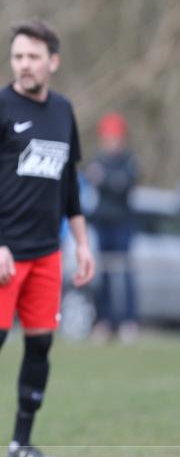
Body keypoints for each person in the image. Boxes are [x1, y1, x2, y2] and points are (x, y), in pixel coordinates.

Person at [0, 19, 95, 457]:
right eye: (17, 57)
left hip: (47, 252)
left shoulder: (63, 111)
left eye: (33, 56)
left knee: (40, 345)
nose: (24, 64)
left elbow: (69, 184)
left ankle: (21, 444)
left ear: (53, 61)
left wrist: (82, 244)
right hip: (2, 251)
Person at [86, 112, 138, 342]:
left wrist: (106, 179)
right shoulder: (98, 160)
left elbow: (124, 184)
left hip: (123, 224)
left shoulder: (129, 161)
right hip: (102, 224)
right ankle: (104, 321)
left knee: (124, 272)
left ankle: (129, 321)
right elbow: (94, 181)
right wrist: (111, 180)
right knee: (103, 274)